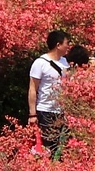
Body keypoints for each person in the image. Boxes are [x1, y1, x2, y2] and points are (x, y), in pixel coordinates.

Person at [28, 30, 73, 158]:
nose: (68, 46)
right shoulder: (40, 63)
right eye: (66, 43)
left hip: (62, 111)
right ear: (58, 45)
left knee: (62, 148)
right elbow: (32, 89)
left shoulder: (65, 62)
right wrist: (32, 114)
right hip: (45, 111)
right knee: (47, 148)